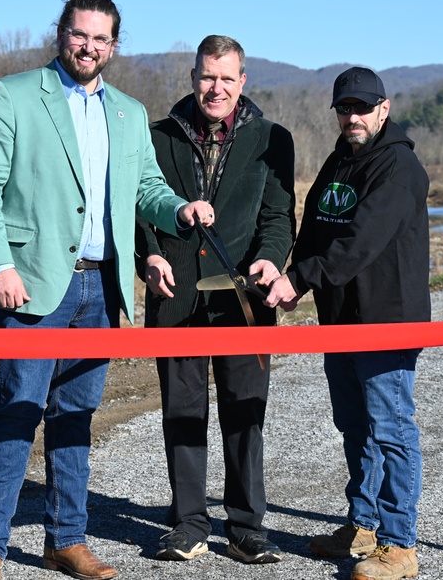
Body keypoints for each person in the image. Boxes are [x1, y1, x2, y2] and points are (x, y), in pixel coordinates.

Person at [0, 0, 215, 580]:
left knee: (76, 417)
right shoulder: (13, 95)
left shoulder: (126, 112)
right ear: (61, 33)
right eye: (81, 34)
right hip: (31, 287)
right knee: (18, 413)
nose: (89, 46)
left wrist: (178, 210)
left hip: (102, 291)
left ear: (114, 46)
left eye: (101, 38)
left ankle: (65, 540)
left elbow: (146, 189)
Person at [264, 66, 430, 580]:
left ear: (384, 107)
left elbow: (362, 240)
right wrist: (296, 278)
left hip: (387, 322)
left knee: (391, 428)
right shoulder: (341, 159)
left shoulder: (399, 168)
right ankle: (362, 525)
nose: (352, 117)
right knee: (354, 425)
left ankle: (400, 543)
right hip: (341, 322)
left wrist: (303, 278)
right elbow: (316, 226)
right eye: (344, 108)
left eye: (362, 107)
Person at [136, 35, 295, 564]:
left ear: (243, 81)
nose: (217, 88)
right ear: (193, 77)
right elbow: (139, 210)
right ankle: (187, 523)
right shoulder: (156, 136)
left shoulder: (274, 139)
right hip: (176, 298)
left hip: (244, 304)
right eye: (208, 76)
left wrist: (272, 260)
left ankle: (247, 526)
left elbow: (278, 219)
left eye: (227, 78)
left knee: (245, 414)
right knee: (181, 413)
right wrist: (149, 258)